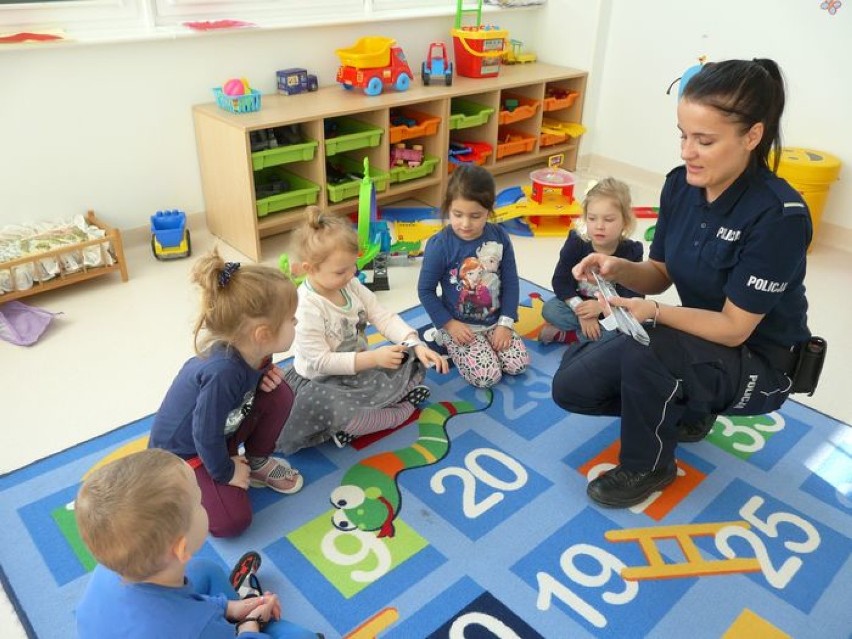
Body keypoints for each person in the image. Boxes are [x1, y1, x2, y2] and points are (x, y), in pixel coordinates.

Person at [552, 58, 813, 507]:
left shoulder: (778, 216)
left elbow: (733, 328)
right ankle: (689, 405)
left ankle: (649, 465)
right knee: (572, 386)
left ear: (752, 136)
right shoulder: (681, 187)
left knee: (647, 352)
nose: (686, 152)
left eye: (704, 140)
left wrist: (653, 314)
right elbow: (660, 275)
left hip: (759, 362)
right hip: (698, 340)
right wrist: (615, 269)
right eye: (683, 135)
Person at [75, 448, 320, 638]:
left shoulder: (112, 566)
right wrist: (250, 623)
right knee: (301, 636)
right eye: (199, 501)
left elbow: (173, 607)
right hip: (190, 628)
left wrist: (230, 608)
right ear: (181, 548)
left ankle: (238, 604)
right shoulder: (195, 628)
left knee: (204, 570)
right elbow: (189, 622)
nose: (204, 503)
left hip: (155, 620)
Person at [149, 250, 303, 538]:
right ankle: (190, 485)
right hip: (184, 454)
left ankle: (255, 462)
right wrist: (226, 472)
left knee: (280, 392)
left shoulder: (256, 352)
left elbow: (236, 406)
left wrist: (261, 384)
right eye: (291, 319)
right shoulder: (222, 372)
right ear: (262, 333)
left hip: (223, 431)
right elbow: (203, 433)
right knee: (231, 522)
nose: (296, 324)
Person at [276, 206, 448, 454]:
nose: (351, 275)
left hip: (360, 367)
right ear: (310, 269)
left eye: (352, 267)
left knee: (412, 356)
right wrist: (374, 358)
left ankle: (378, 406)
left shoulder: (351, 285)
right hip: (322, 381)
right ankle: (397, 413)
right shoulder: (306, 307)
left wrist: (415, 343)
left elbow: (382, 316)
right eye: (340, 271)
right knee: (338, 409)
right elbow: (322, 362)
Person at [418, 164, 530, 388]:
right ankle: (441, 337)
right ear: (448, 207)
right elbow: (425, 291)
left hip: (495, 321)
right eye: (457, 214)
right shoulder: (440, 245)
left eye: (476, 216)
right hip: (459, 326)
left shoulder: (499, 236)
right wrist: (449, 325)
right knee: (487, 377)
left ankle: (482, 341)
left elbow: (510, 281)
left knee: (518, 365)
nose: (465, 224)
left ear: (490, 210)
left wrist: (505, 324)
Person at [539, 177, 644, 345]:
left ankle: (571, 336)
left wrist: (602, 308)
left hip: (611, 309)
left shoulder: (632, 252)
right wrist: (580, 311)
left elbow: (634, 296)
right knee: (550, 310)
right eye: (592, 218)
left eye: (608, 220)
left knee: (629, 329)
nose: (599, 226)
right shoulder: (576, 241)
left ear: (625, 221)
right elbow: (560, 281)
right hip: (578, 304)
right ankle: (589, 338)